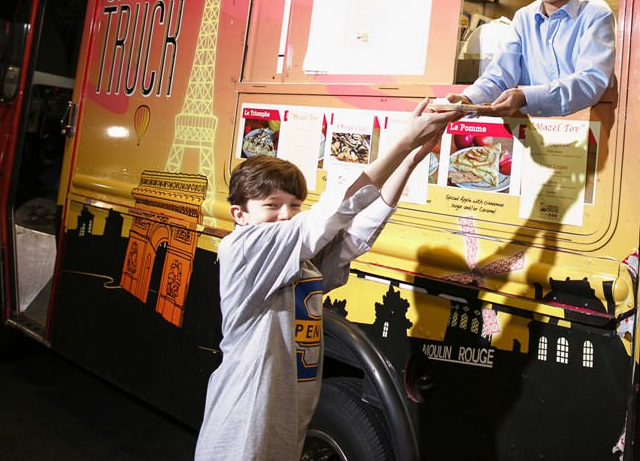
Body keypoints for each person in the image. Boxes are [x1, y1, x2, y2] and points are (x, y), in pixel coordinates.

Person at [193, 99, 454, 461]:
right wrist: (401, 143)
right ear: (240, 214)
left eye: (294, 205)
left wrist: (408, 163)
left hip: (287, 411)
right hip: (245, 414)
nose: (285, 215)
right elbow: (332, 213)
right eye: (271, 205)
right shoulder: (243, 248)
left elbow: (355, 235)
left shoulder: (297, 263)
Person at [451, 0, 615, 117]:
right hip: (532, 133)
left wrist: (526, 97)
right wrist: (466, 100)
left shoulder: (596, 14)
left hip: (585, 130)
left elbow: (590, 81)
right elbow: (499, 76)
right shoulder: (523, 18)